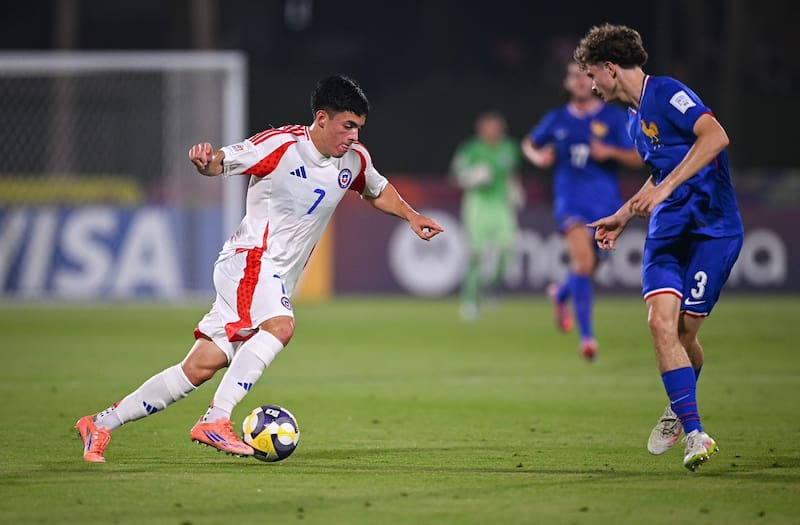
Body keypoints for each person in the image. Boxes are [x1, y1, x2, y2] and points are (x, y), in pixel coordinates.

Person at [74, 74, 444, 462]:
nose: (353, 136)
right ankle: (216, 419)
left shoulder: (355, 159)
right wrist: (206, 162)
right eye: (347, 125)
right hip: (250, 260)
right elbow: (224, 161)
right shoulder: (281, 145)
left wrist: (411, 215)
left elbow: (377, 188)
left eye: (358, 128)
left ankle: (99, 424)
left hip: (272, 277)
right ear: (322, 118)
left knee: (199, 366)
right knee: (281, 326)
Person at [574, 24, 744, 471]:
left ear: (610, 69)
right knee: (658, 323)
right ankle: (695, 433)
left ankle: (678, 400)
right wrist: (624, 213)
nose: (591, 85)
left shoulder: (667, 93)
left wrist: (665, 188)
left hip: (713, 229)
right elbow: (659, 175)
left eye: (592, 75)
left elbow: (715, 136)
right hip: (668, 231)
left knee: (686, 331)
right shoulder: (633, 122)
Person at [521, 61, 642, 361]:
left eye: (584, 76)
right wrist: (539, 157)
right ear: (566, 83)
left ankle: (561, 293)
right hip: (570, 201)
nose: (578, 81)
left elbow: (639, 157)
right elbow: (529, 144)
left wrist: (610, 152)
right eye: (572, 76)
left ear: (593, 82)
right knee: (583, 262)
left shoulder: (612, 119)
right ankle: (587, 338)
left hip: (605, 204)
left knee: (589, 269)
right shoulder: (557, 119)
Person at [450, 111, 523, 321]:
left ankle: (492, 287)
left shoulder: (509, 148)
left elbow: (511, 174)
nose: (492, 132)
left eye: (496, 128)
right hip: (477, 204)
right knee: (476, 253)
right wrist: (472, 177)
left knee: (509, 248)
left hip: (501, 204)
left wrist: (515, 190)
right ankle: (470, 300)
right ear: (480, 130)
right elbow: (455, 177)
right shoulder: (471, 149)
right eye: (488, 127)